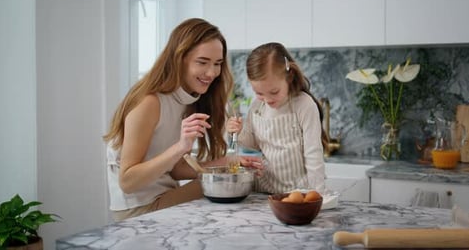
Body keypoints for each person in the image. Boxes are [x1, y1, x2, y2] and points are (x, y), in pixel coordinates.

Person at [103, 18, 262, 221]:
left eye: (218, 63)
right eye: (202, 62)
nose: (212, 72)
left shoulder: (187, 98)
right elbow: (127, 181)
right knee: (225, 192)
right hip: (139, 208)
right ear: (179, 58)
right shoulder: (149, 103)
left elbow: (176, 170)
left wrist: (229, 161)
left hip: (163, 195)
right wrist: (180, 146)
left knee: (227, 186)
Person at [227, 42, 329, 194]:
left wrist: (318, 194)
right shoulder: (257, 106)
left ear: (289, 77)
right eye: (259, 93)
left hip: (298, 194)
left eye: (274, 92)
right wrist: (237, 131)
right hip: (263, 192)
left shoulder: (303, 105)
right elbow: (253, 144)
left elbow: (313, 154)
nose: (267, 99)